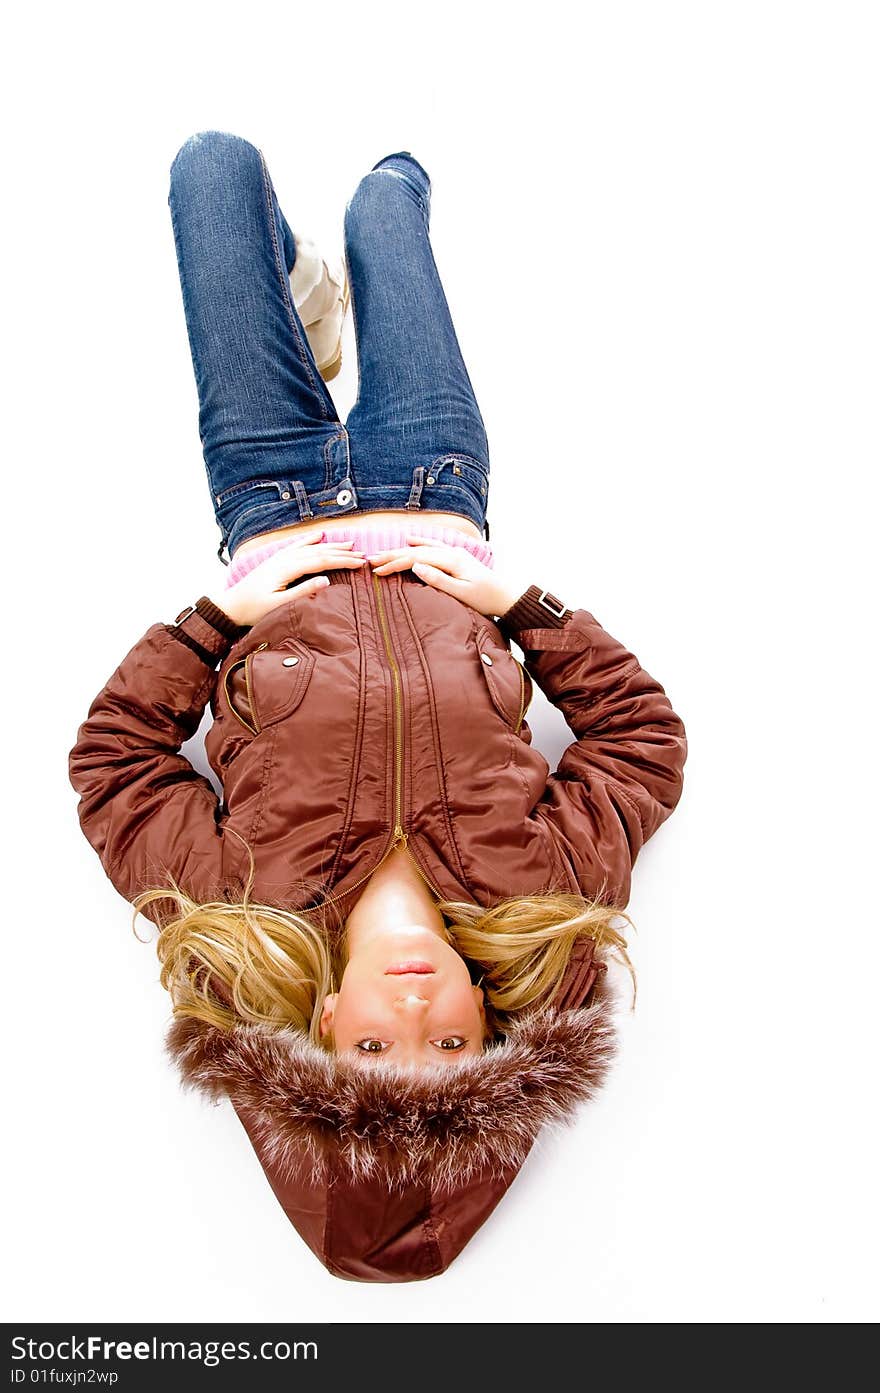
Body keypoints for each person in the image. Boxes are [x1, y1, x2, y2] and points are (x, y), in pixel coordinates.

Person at [68, 133, 688, 1279]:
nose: (415, 1008)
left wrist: (219, 616)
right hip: (434, 489)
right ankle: (336, 279)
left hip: (271, 496)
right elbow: (641, 743)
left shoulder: (240, 905)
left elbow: (114, 766)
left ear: (321, 1026)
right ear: (491, 1033)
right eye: (450, 1042)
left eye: (373, 1043)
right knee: (388, 198)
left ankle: (305, 315)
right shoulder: (545, 896)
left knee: (213, 168)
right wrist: (523, 607)